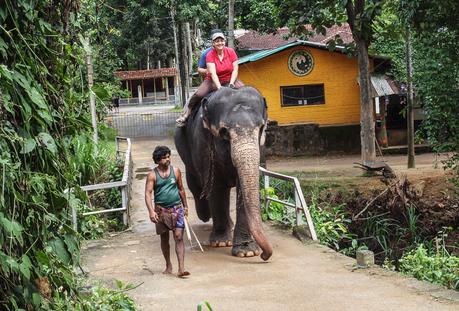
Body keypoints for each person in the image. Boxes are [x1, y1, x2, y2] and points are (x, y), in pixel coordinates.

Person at [176, 30, 244, 126]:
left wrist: (232, 83)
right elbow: (213, 73)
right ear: (213, 43)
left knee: (245, 91)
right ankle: (187, 113)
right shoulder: (209, 54)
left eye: (221, 40)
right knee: (199, 94)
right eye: (217, 41)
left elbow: (235, 69)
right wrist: (220, 88)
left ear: (225, 41)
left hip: (229, 79)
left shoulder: (231, 52)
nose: (220, 43)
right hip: (212, 81)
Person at [144, 146, 190, 278]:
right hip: (161, 211)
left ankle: (181, 268)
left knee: (179, 237)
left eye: (168, 156)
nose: (167, 159)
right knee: (164, 238)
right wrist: (151, 212)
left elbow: (181, 189)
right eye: (164, 157)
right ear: (158, 160)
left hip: (177, 209)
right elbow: (148, 193)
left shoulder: (176, 171)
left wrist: (185, 206)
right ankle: (168, 265)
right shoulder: (152, 175)